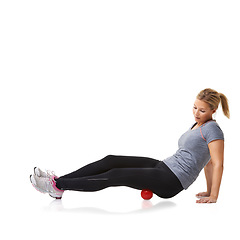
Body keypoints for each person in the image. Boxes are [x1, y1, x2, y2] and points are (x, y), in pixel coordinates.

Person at [30, 88, 230, 203]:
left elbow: (217, 163)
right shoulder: (198, 124)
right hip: (165, 166)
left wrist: (213, 195)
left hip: (172, 181)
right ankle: (58, 180)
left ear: (213, 110)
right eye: (194, 107)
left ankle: (56, 186)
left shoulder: (213, 130)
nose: (196, 113)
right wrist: (207, 188)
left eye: (202, 110)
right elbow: (207, 163)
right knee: (111, 160)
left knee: (116, 175)